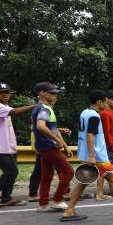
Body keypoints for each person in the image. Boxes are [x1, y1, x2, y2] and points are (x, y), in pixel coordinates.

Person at [61, 90, 113, 221]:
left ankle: (69, 210)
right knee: (112, 180)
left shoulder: (84, 112)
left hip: (86, 153)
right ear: (99, 102)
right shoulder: (95, 116)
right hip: (97, 156)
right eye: (105, 101)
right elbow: (90, 135)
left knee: (84, 181)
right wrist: (92, 155)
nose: (106, 104)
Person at [0, 82, 34, 207]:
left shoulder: (3, 105)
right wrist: (35, 106)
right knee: (11, 172)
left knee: (12, 172)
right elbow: (15, 111)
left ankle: (6, 198)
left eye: (7, 92)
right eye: (1, 92)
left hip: (7, 146)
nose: (5, 94)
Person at [32, 82, 74, 212]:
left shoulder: (42, 108)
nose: (55, 96)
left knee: (47, 176)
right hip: (48, 146)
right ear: (42, 93)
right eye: (52, 93)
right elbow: (41, 127)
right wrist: (57, 140)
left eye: (56, 94)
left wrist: (65, 145)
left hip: (44, 147)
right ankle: (57, 200)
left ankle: (43, 204)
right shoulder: (44, 108)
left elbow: (53, 129)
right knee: (69, 172)